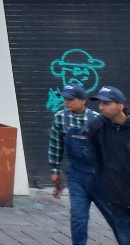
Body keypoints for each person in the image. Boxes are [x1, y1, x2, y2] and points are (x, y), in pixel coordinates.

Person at [49, 84, 118, 245]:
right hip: (76, 175)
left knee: (114, 215)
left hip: (99, 176)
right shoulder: (60, 117)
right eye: (65, 99)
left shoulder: (98, 120)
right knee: (78, 216)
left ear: (83, 101)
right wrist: (55, 169)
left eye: (71, 99)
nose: (66, 102)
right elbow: (56, 144)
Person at [87, 86, 130, 245]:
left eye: (106, 103)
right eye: (99, 103)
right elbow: (97, 160)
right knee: (124, 237)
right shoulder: (96, 126)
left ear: (120, 106)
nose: (101, 107)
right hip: (115, 194)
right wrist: (108, 184)